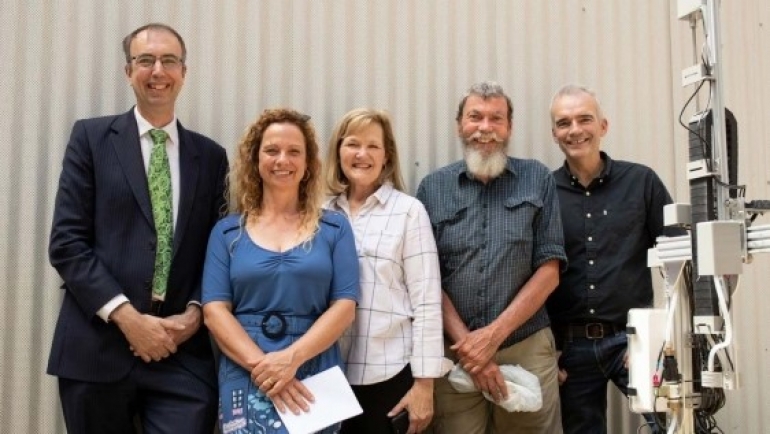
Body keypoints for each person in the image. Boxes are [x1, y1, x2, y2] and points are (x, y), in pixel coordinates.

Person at [47, 23, 228, 433]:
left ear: (184, 71)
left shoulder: (211, 156)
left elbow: (217, 251)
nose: (157, 70)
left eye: (169, 60)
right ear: (129, 71)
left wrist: (195, 317)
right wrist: (128, 318)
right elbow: (67, 243)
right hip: (96, 348)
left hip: (181, 355)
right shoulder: (91, 138)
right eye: (145, 60)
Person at [416, 81, 567, 434]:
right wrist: (470, 346)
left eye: (496, 119)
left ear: (509, 128)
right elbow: (425, 277)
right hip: (455, 352)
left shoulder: (537, 178)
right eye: (475, 117)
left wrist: (492, 337)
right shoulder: (432, 188)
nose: (485, 128)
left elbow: (550, 269)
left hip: (525, 345)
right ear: (459, 125)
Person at [201, 108, 360, 434]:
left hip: (315, 368)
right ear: (255, 160)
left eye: (293, 152)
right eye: (271, 150)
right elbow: (215, 311)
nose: (282, 160)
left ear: (308, 164)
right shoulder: (227, 233)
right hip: (246, 371)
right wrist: (265, 369)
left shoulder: (334, 228)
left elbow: (344, 307)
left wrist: (291, 360)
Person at [546, 84, 676, 434]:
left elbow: (678, 261)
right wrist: (548, 350)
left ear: (603, 126)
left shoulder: (642, 182)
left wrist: (661, 338)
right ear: (554, 133)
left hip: (633, 339)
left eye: (584, 119)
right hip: (571, 348)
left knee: (675, 423)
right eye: (564, 122)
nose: (575, 130)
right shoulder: (544, 192)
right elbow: (535, 274)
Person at [323, 108, 446, 434]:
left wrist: (424, 385)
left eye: (373, 146)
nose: (362, 154)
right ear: (339, 150)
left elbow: (427, 302)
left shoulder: (408, 212)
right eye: (352, 144)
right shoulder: (319, 213)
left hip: (390, 373)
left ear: (386, 154)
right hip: (326, 374)